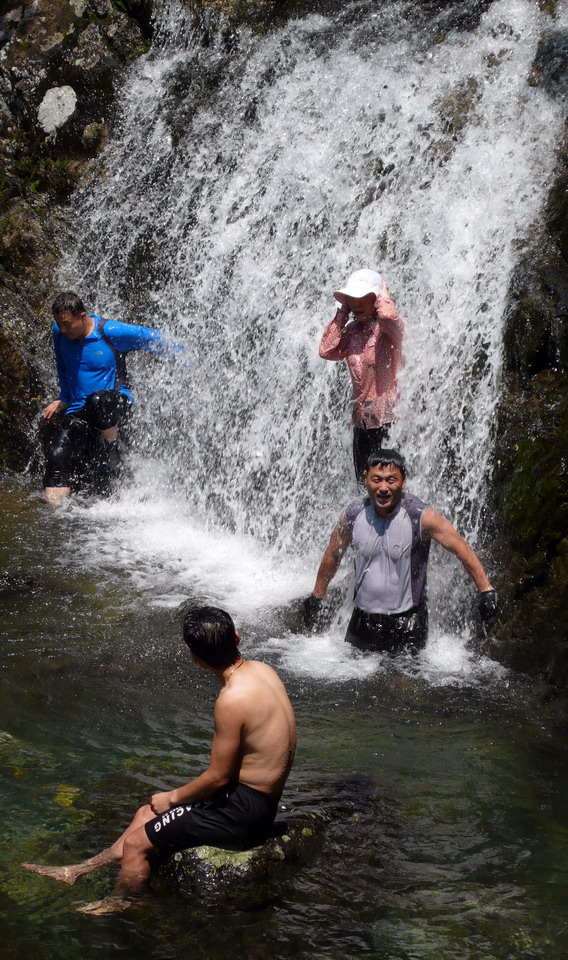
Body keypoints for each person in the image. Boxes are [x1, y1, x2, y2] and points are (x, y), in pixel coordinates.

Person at [22, 605, 297, 915]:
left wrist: (172, 797)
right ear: (236, 637)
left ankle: (124, 902)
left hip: (243, 811)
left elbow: (219, 777)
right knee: (144, 813)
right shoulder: (263, 670)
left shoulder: (231, 700)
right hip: (255, 800)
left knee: (138, 844)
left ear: (196, 658)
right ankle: (81, 869)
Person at [302, 450, 497, 652]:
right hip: (362, 621)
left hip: (408, 624)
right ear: (365, 480)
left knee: (405, 683)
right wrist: (317, 596)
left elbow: (461, 548)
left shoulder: (421, 516)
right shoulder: (353, 515)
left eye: (391, 480)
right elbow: (333, 554)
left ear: (403, 481)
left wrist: (486, 590)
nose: (383, 488)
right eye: (376, 479)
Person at [41, 291, 192, 505]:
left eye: (67, 324)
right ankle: (55, 514)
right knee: (57, 456)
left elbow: (154, 338)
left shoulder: (109, 331)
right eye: (59, 324)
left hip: (114, 404)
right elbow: (62, 365)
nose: (63, 329)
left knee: (97, 401)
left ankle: (111, 439)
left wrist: (191, 364)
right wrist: (64, 397)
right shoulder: (59, 331)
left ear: (83, 316)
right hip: (81, 410)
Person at [319, 269, 404, 482]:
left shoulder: (389, 331)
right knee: (363, 487)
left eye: (361, 297)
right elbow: (326, 350)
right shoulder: (352, 332)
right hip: (362, 424)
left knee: (389, 491)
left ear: (375, 299)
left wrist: (383, 297)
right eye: (351, 298)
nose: (355, 303)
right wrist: (342, 313)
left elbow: (388, 316)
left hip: (389, 422)